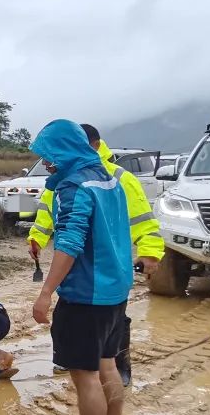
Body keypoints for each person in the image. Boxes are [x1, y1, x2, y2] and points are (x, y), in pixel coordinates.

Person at [30, 120, 133, 415]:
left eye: (48, 155)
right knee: (108, 366)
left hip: (86, 296)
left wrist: (45, 293)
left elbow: (70, 243)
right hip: (115, 292)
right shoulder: (109, 179)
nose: (46, 163)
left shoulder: (74, 186)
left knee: (86, 376)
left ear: (64, 150)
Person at [28, 123, 164, 386]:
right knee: (99, 359)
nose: (46, 162)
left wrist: (149, 251)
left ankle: (120, 368)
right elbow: (50, 210)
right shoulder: (64, 177)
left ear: (92, 145)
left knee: (101, 361)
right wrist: (37, 236)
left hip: (94, 283)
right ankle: (92, 368)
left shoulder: (116, 177)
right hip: (105, 280)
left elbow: (142, 218)